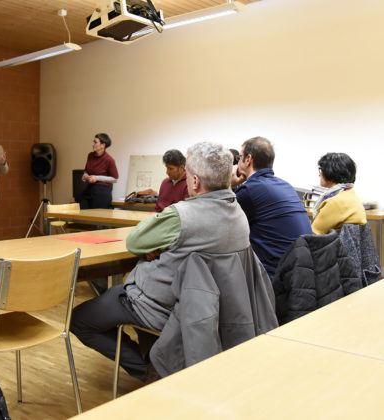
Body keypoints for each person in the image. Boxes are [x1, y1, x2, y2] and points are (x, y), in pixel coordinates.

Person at [71, 142, 252, 381]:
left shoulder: (181, 215)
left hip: (158, 304)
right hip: (208, 309)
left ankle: (149, 371)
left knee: (79, 320)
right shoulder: (239, 215)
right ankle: (156, 360)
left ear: (194, 181)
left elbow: (134, 242)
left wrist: (159, 247)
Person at [231, 136, 312, 279]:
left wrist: (229, 185)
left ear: (248, 159)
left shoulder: (250, 190)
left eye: (239, 157)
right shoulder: (285, 185)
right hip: (301, 272)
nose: (237, 162)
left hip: (274, 277)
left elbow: (225, 224)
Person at [312, 152, 366, 234]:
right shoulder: (349, 194)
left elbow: (314, 234)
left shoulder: (335, 202)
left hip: (334, 242)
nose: (320, 174)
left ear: (330, 172)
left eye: (321, 170)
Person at [79, 133, 118, 209]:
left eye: (95, 142)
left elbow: (115, 179)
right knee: (81, 207)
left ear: (103, 145)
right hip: (90, 189)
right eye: (93, 142)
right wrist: (85, 175)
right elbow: (86, 170)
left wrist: (97, 178)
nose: (92, 144)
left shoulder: (109, 160)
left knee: (95, 214)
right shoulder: (90, 155)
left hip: (102, 191)